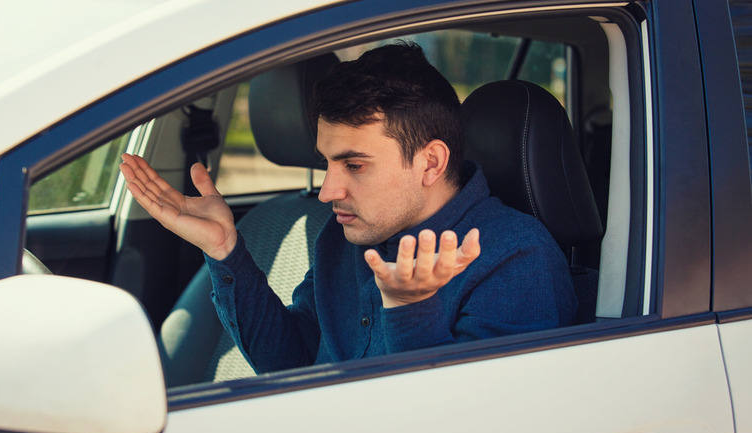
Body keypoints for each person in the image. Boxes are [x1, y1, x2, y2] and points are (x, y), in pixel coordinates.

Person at [120, 42, 576, 374]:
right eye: (326, 163)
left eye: (354, 164)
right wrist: (225, 251)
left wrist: (409, 310)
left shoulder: (517, 259)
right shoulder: (345, 238)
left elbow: (462, 420)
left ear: (430, 162)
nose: (327, 191)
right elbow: (290, 365)